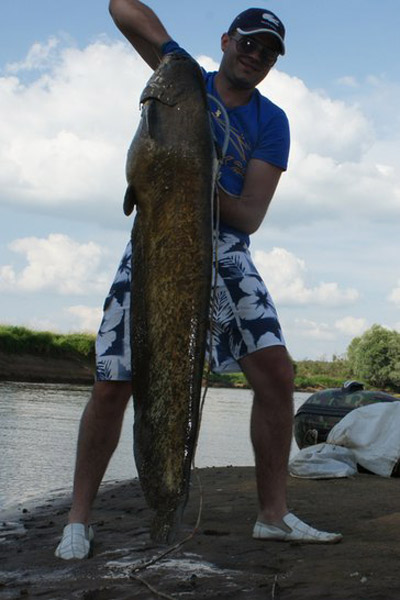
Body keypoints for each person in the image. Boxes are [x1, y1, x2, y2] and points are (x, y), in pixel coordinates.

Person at [55, 1, 342, 560]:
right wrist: (169, 52)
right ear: (227, 40)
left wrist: (191, 179)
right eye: (249, 42)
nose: (255, 54)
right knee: (113, 380)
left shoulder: (271, 121)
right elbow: (121, 8)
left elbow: (250, 214)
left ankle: (273, 516)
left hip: (223, 244)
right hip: (155, 236)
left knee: (278, 374)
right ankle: (78, 519)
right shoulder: (182, 78)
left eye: (267, 51)